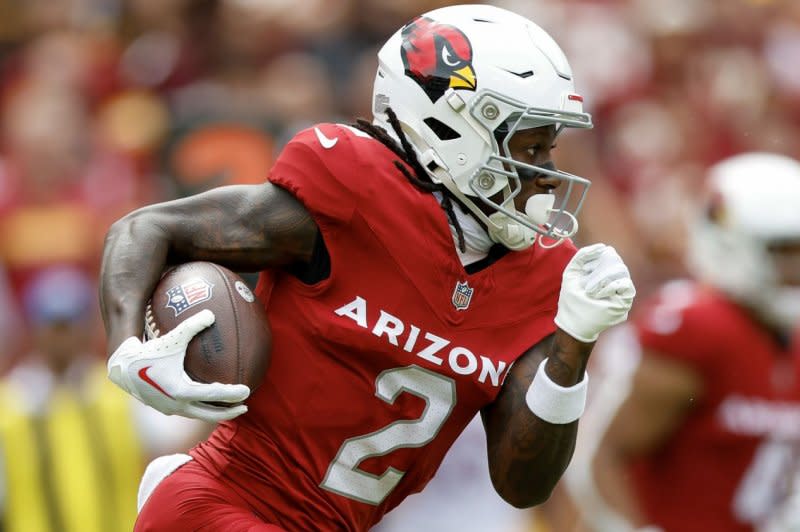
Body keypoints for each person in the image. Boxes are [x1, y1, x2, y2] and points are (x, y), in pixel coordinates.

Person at [99, 5, 635, 531]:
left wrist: (575, 341)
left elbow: (523, 485)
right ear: (455, 129)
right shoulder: (354, 193)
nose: (545, 173)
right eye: (531, 145)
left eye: (550, 147)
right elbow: (146, 229)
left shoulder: (539, 275)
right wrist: (126, 347)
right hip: (225, 502)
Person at [563, 153, 800, 532]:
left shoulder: (789, 337)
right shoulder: (699, 328)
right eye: (785, 252)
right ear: (732, 242)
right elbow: (601, 456)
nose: (795, 269)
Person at [0, 266, 207, 532]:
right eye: (54, 326)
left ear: (87, 329)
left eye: (69, 325)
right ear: (35, 329)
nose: (62, 337)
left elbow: (179, 440)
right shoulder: (10, 405)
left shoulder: (118, 390)